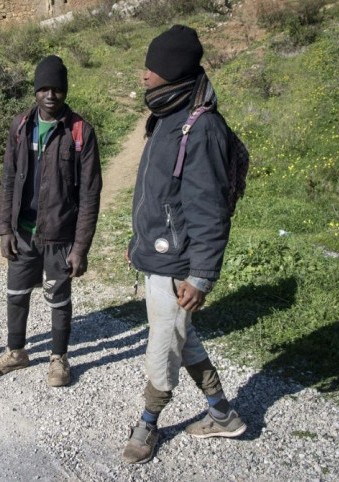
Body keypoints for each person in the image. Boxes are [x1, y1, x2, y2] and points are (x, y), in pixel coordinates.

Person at [121, 25, 246, 464]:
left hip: (180, 265)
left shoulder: (202, 127)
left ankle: (147, 425)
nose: (144, 75)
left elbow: (209, 209)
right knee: (181, 337)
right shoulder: (166, 117)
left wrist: (201, 276)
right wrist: (138, 243)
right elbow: (158, 196)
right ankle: (223, 414)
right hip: (160, 254)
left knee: (164, 343)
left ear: (173, 72)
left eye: (152, 67)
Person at [0, 55, 102, 387]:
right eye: (44, 88)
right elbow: (8, 179)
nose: (51, 95)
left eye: (57, 89)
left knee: (59, 298)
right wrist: (5, 228)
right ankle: (16, 352)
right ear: (36, 90)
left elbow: (90, 194)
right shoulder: (21, 126)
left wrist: (80, 247)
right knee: (16, 293)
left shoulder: (80, 132)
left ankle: (58, 358)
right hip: (23, 231)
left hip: (60, 235)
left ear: (65, 91)